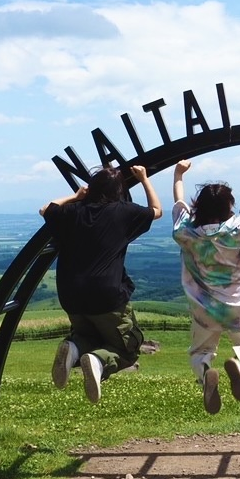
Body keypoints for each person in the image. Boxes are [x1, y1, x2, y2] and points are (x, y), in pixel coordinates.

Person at [40, 164, 163, 402]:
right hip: (107, 296)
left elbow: (46, 208)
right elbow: (156, 210)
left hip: (71, 296)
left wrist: (76, 196)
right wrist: (144, 179)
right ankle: (97, 361)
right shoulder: (123, 212)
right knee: (128, 349)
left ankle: (75, 348)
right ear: (119, 191)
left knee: (92, 338)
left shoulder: (73, 212)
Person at [172, 139, 240, 414]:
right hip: (238, 305)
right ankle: (239, 363)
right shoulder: (238, 229)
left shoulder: (186, 232)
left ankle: (205, 373)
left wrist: (179, 174)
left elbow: (179, 202)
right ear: (229, 208)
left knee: (200, 351)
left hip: (203, 307)